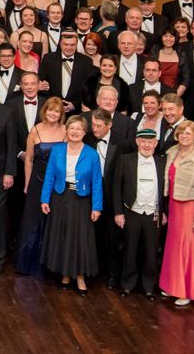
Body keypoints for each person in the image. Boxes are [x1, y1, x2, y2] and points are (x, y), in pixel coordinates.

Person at [39, 114, 103, 293]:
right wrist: (44, 199)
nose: (75, 132)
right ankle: (65, 274)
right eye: (72, 128)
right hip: (60, 197)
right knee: (62, 236)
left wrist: (97, 207)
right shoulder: (57, 150)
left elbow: (97, 182)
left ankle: (80, 277)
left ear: (84, 132)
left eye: (78, 129)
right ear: (66, 130)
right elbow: (50, 175)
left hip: (81, 200)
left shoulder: (92, 154)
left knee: (80, 238)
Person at [160, 119, 194, 307]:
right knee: (173, 247)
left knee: (187, 249)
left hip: (189, 208)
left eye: (188, 133)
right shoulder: (172, 152)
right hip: (173, 205)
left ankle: (186, 290)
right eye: (181, 133)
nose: (184, 136)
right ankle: (172, 286)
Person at [109, 127, 165, 298]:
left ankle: (149, 286)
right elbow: (116, 187)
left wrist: (164, 211)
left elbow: (167, 190)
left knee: (151, 251)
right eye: (143, 142)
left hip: (153, 213)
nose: (146, 145)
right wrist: (118, 212)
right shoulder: (125, 160)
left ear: (155, 143)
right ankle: (127, 284)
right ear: (137, 142)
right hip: (131, 212)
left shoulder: (162, 162)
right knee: (129, 249)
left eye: (150, 142)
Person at [16, 94, 66, 276]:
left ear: (61, 114)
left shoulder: (66, 131)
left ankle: (49, 264)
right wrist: (27, 183)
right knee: (32, 220)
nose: (53, 114)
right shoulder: (35, 130)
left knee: (52, 220)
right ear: (45, 111)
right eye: (50, 110)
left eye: (57, 111)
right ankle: (28, 263)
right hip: (37, 179)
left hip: (57, 181)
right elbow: (29, 159)